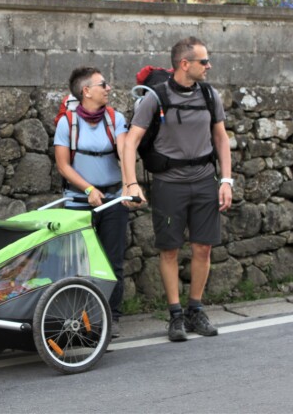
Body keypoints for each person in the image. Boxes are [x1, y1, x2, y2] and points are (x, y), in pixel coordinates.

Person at [123, 37, 233, 342]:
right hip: (168, 184)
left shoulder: (210, 95)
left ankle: (195, 309)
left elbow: (221, 139)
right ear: (184, 64)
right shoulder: (154, 98)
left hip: (204, 181)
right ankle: (175, 315)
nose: (209, 66)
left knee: (203, 247)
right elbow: (130, 141)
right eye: (204, 61)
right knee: (169, 249)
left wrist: (226, 180)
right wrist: (131, 182)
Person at [54, 66, 129, 338]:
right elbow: (63, 166)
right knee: (78, 263)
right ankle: (79, 319)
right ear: (86, 91)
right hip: (78, 199)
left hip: (113, 199)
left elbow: (125, 152)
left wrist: (130, 185)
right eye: (103, 84)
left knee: (112, 260)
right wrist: (88, 189)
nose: (108, 88)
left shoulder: (115, 119)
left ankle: (110, 318)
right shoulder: (68, 123)